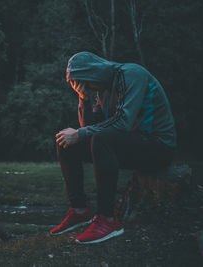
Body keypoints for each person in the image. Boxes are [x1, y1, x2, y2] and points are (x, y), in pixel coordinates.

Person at [50, 52, 176, 244]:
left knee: (99, 138)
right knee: (66, 143)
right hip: (130, 144)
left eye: (84, 83)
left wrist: (80, 134)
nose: (87, 87)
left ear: (92, 74)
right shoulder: (102, 91)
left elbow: (123, 122)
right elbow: (90, 128)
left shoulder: (131, 74)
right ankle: (80, 211)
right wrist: (83, 98)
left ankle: (108, 220)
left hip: (157, 146)